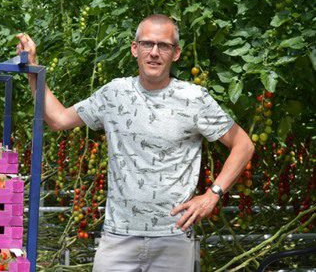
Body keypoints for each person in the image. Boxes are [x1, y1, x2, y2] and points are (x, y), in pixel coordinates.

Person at [16, 14, 254, 272]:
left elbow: (243, 145)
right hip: (118, 237)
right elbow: (58, 120)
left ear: (176, 53)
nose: (154, 52)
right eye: (147, 44)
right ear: (134, 49)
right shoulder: (114, 94)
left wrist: (212, 195)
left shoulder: (193, 99)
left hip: (173, 237)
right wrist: (33, 71)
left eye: (163, 45)